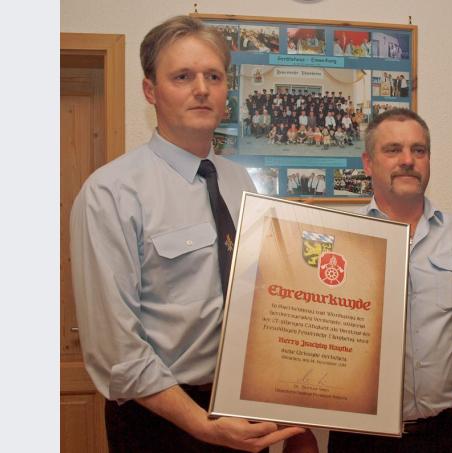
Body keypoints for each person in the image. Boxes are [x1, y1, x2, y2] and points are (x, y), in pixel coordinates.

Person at [69, 16, 315, 452]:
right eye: (182, 76)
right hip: (161, 422)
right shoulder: (111, 192)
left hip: (242, 412)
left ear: (226, 91)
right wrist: (202, 425)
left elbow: (264, 301)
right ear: (151, 91)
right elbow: (116, 351)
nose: (201, 88)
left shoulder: (241, 182)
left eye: (214, 76)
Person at [327, 108, 452, 453]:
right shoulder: (340, 237)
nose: (408, 160)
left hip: (442, 434)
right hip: (360, 436)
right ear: (368, 163)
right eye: (393, 150)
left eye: (418, 150)